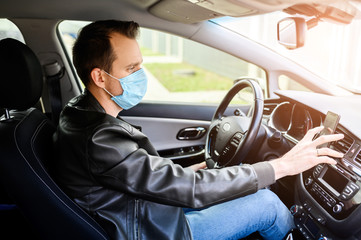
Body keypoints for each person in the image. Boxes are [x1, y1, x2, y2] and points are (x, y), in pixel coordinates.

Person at [52, 20, 344, 240]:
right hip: (152, 231)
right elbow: (187, 191)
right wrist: (281, 165)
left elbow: (133, 176)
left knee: (243, 186)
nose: (140, 75)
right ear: (99, 77)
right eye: (132, 68)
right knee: (266, 203)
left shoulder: (80, 113)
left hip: (146, 211)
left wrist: (186, 173)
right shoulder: (99, 137)